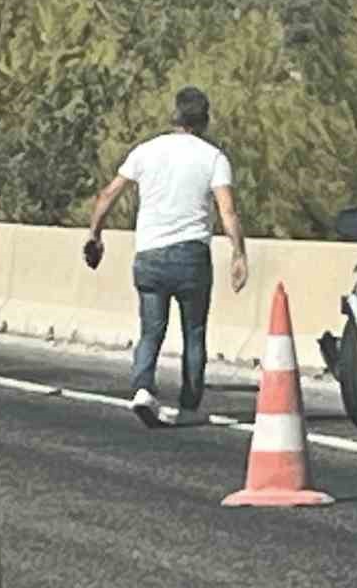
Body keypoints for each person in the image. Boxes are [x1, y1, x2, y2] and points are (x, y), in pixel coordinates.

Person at [85, 86, 249, 427]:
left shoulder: (145, 152)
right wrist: (238, 253)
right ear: (204, 119)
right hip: (192, 256)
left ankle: (143, 388)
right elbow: (228, 211)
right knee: (194, 331)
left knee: (150, 330)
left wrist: (95, 235)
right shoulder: (213, 158)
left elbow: (107, 195)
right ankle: (189, 404)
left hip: (150, 254)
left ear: (174, 115)